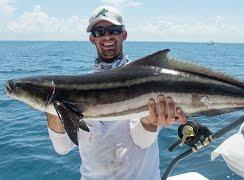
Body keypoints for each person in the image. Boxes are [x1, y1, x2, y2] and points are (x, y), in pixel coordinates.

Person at [46, 6, 187, 180]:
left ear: (124, 34)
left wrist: (151, 122)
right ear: (92, 39)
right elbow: (62, 148)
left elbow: (142, 141)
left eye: (114, 30)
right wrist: (52, 109)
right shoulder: (76, 88)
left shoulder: (144, 80)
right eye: (99, 31)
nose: (107, 36)